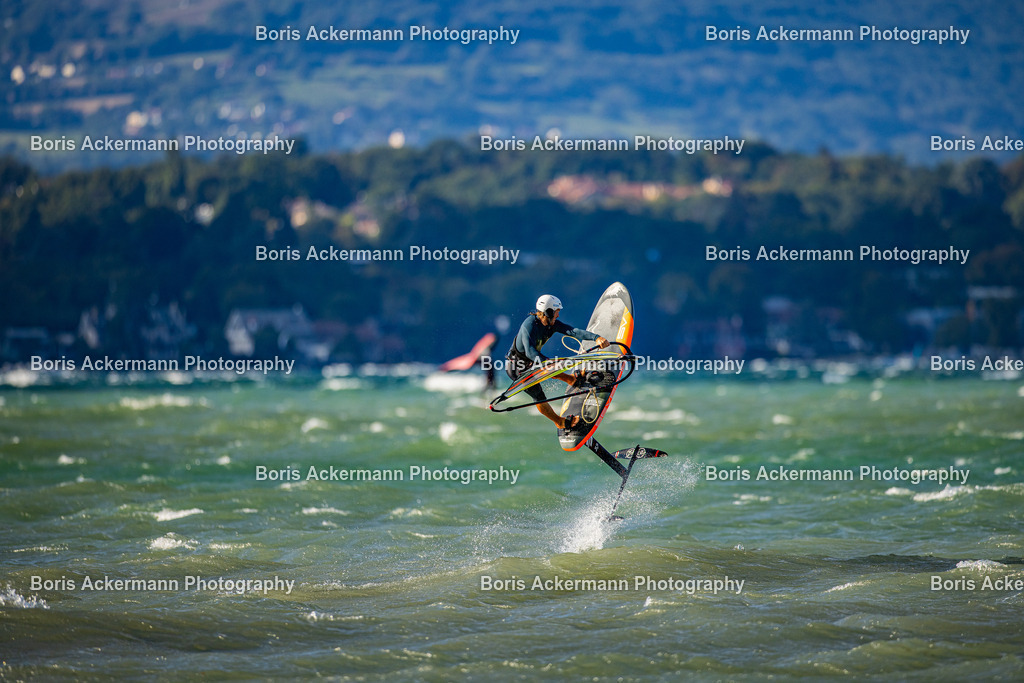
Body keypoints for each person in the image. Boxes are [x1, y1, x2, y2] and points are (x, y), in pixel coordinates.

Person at [505, 294, 610, 429]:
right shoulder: (529, 325)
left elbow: (573, 331)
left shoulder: (551, 324)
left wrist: (596, 338)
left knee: (550, 365)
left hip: (532, 361)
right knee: (539, 395)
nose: (558, 315)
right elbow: (530, 351)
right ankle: (559, 422)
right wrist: (549, 365)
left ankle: (571, 380)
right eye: (556, 312)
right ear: (548, 312)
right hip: (517, 368)